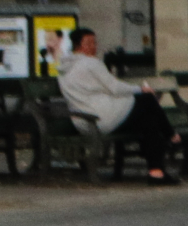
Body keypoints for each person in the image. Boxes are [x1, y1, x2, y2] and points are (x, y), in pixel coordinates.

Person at [57, 27, 181, 184]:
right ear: (82, 45)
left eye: (95, 42)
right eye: (91, 43)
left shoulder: (63, 70)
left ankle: (156, 172)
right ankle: (171, 135)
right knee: (147, 99)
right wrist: (140, 89)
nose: (95, 46)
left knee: (149, 121)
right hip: (104, 117)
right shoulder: (90, 63)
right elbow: (114, 87)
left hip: (83, 122)